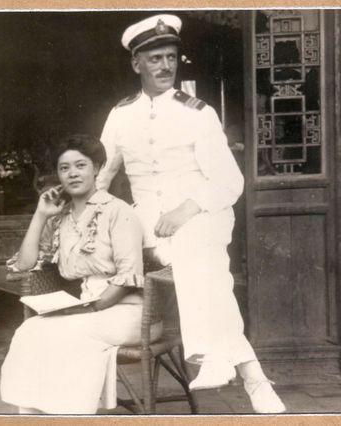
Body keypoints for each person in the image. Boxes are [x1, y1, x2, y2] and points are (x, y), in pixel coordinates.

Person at [96, 14, 286, 414]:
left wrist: (185, 209)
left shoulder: (198, 113)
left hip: (202, 212)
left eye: (170, 57)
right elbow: (103, 174)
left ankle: (211, 354)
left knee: (195, 249)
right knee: (202, 266)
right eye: (154, 59)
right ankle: (251, 376)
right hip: (148, 220)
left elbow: (230, 182)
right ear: (137, 64)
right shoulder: (120, 115)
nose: (165, 66)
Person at [0, 134, 163, 414]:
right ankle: (33, 415)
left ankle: (73, 414)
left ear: (98, 168)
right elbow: (25, 264)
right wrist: (41, 215)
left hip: (130, 310)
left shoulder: (118, 212)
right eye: (64, 168)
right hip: (88, 309)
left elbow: (128, 277)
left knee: (70, 334)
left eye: (81, 165)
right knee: (29, 330)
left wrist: (89, 309)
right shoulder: (60, 217)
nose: (72, 173)